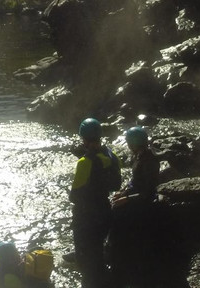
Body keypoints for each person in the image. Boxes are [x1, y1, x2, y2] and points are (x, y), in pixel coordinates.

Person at [69, 117, 121, 288]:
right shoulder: (111, 156)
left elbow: (74, 195)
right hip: (105, 211)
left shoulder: (85, 163)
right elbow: (116, 184)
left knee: (87, 263)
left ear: (83, 138)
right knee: (98, 252)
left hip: (86, 217)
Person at [109, 126, 160, 286]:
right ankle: (111, 249)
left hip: (145, 202)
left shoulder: (149, 160)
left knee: (117, 210)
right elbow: (134, 183)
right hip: (137, 196)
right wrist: (123, 192)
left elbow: (147, 192)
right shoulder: (140, 156)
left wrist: (127, 200)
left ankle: (114, 252)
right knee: (114, 203)